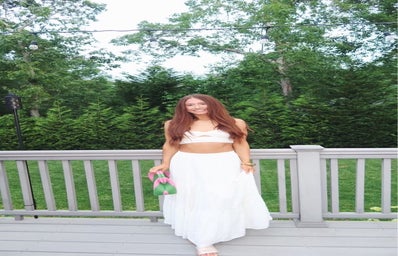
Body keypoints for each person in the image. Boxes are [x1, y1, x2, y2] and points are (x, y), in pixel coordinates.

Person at [149, 94, 272, 256]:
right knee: (196, 199)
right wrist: (165, 163)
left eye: (201, 103)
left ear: (211, 104)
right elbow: (170, 145)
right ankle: (203, 241)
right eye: (190, 105)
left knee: (222, 197)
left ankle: (218, 229)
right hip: (188, 166)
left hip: (224, 164)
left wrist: (246, 162)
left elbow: (240, 143)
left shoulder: (234, 122)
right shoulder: (173, 124)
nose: (196, 107)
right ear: (184, 108)